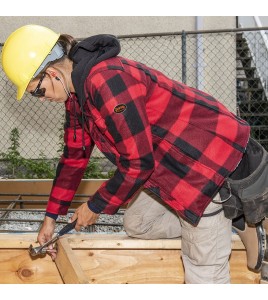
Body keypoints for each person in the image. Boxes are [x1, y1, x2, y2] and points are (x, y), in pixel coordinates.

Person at [1, 24, 264, 284]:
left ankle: (218, 219)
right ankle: (228, 222)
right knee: (139, 223)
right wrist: (50, 218)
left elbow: (138, 163)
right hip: (167, 164)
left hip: (205, 163)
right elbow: (74, 158)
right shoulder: (77, 96)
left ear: (52, 72)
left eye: (37, 90)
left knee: (202, 269)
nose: (42, 99)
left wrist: (95, 206)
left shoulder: (106, 80)